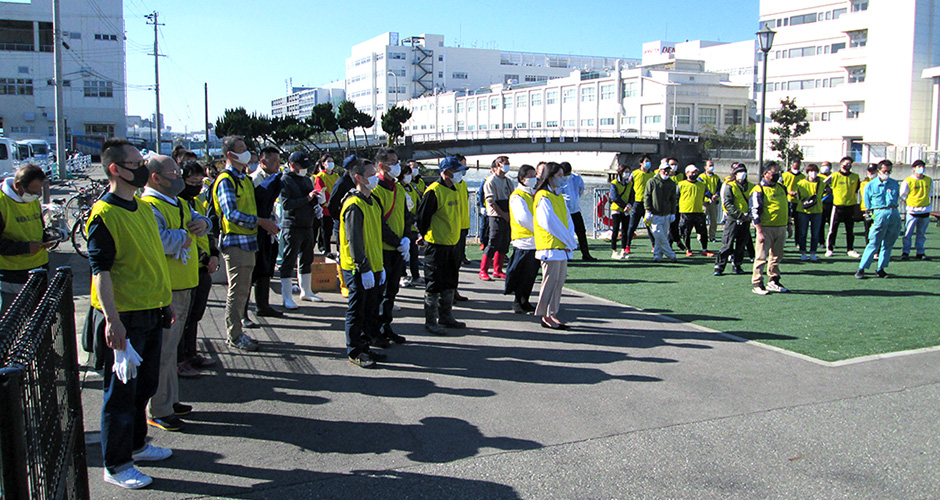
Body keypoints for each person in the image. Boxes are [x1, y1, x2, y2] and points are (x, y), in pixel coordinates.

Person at [87, 138, 173, 489]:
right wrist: (113, 320)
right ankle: (117, 464)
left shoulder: (139, 208)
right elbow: (101, 271)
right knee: (120, 395)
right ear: (116, 169)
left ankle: (137, 445)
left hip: (150, 310)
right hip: (125, 317)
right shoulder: (104, 213)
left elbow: (150, 257)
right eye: (136, 164)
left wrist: (163, 303)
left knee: (144, 387)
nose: (143, 169)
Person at [140, 154, 211, 431]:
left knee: (171, 351)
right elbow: (159, 241)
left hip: (184, 283)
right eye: (174, 173)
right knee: (163, 352)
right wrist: (186, 235)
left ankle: (170, 400)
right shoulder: (149, 206)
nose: (180, 177)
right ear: (156, 177)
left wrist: (203, 224)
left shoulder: (179, 202)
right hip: (165, 287)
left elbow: (202, 220)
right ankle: (158, 407)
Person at [212, 136, 280, 352]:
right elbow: (231, 214)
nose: (247, 152)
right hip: (236, 242)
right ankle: (234, 335)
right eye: (242, 149)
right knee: (238, 291)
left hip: (249, 242)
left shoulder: (243, 179)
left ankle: (238, 332)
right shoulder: (226, 180)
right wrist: (261, 221)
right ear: (230, 154)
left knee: (242, 291)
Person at [338, 158, 388, 368]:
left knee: (369, 309)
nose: (375, 176)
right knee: (357, 310)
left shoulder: (373, 201)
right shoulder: (353, 205)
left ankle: (365, 345)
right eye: (371, 173)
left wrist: (380, 265)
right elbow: (354, 240)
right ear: (358, 178)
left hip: (375, 265)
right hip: (358, 268)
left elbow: (379, 232)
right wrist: (364, 267)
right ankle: (355, 350)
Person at [416, 156, 467, 335]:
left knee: (450, 281)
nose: (461, 174)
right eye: (457, 171)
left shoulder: (454, 188)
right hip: (436, 245)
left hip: (452, 243)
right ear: (445, 172)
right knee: (434, 284)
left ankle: (446, 316)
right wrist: (424, 236)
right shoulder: (434, 191)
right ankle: (431, 321)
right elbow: (422, 218)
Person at [177, 160, 219, 376]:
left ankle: (191, 354)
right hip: (184, 268)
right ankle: (180, 359)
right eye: (190, 182)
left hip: (201, 266)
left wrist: (213, 255)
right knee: (181, 318)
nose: (196, 186)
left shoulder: (195, 203)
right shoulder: (174, 202)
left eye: (199, 182)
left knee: (195, 315)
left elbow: (207, 229)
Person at [0, 164, 53, 315]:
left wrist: (47, 238)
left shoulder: (32, 199)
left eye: (38, 191)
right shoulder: (2, 202)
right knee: (11, 325)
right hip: (12, 276)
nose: (35, 195)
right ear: (18, 186)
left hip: (39, 270)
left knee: (40, 323)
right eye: (32, 191)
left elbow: (37, 228)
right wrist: (25, 248)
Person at [371, 147, 410, 345]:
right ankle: (374, 330)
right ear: (381, 165)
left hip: (397, 249)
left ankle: (386, 326)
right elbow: (379, 223)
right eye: (393, 162)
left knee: (392, 291)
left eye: (397, 161)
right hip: (382, 250)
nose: (397, 165)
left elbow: (405, 215)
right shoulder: (375, 190)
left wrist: (407, 239)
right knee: (378, 293)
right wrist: (397, 241)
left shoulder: (399, 188)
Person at [533, 162, 577, 330]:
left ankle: (553, 313)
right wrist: (568, 240)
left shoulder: (558, 196)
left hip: (561, 246)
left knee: (559, 280)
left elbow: (567, 219)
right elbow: (549, 223)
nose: (561, 178)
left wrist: (569, 239)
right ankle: (545, 315)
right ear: (549, 177)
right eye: (558, 175)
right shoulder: (543, 196)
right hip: (550, 246)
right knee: (550, 281)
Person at [279, 151, 324, 310]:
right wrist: (308, 199)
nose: (304, 169)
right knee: (289, 260)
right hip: (292, 225)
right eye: (301, 166)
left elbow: (311, 199)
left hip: (307, 224)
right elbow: (286, 204)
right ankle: (286, 297)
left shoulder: (306, 180)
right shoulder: (285, 180)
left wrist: (317, 203)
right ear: (292, 165)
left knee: (307, 258)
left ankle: (306, 291)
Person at [246, 146, 285, 321]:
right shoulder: (253, 180)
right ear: (263, 161)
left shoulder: (276, 178)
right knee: (250, 273)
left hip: (269, 229)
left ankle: (263, 305)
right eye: (274, 161)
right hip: (255, 230)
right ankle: (243, 312)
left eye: (279, 160)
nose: (278, 164)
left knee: (266, 269)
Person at [750, 162, 790, 295]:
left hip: (781, 226)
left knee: (777, 256)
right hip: (766, 228)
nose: (776, 175)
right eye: (774, 173)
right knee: (761, 256)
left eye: (778, 173)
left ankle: (773, 280)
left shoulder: (781, 188)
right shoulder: (758, 189)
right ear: (765, 174)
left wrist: (788, 224)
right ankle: (757, 283)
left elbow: (786, 206)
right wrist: (759, 231)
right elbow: (754, 211)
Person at [856, 160, 902, 278]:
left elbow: (896, 197)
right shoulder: (870, 185)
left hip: (893, 212)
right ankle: (862, 268)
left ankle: (881, 268)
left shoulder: (894, 183)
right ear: (878, 171)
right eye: (884, 171)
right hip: (879, 212)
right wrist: (871, 217)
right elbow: (867, 203)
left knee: (888, 243)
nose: (886, 173)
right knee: (874, 242)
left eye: (889, 171)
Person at [504, 165, 539, 314]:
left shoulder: (534, 193)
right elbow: (523, 218)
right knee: (521, 272)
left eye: (534, 176)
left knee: (531, 273)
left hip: (536, 240)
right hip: (523, 240)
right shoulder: (517, 196)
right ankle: (518, 301)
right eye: (530, 176)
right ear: (522, 179)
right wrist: (540, 228)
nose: (534, 179)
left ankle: (525, 300)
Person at [713, 163, 753, 276]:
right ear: (734, 174)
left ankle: (737, 265)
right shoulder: (730, 186)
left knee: (741, 244)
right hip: (733, 219)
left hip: (746, 220)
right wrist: (739, 215)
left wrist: (748, 215)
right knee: (727, 244)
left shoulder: (751, 186)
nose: (742, 174)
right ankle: (719, 267)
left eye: (743, 171)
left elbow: (754, 201)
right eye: (739, 172)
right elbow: (728, 203)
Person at [329, 155, 360, 297]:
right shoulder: (342, 182)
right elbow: (331, 205)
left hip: (357, 222)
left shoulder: (358, 180)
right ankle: (344, 284)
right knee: (343, 253)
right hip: (342, 223)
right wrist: (340, 218)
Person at [480, 156, 514, 280]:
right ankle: (483, 270)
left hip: (508, 213)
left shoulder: (508, 181)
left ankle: (498, 269)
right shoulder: (491, 181)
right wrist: (503, 214)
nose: (508, 166)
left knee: (505, 241)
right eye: (506, 164)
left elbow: (512, 197)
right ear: (498, 165)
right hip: (495, 215)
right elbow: (491, 201)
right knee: (493, 241)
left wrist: (510, 214)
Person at [825, 157, 861, 258]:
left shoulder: (855, 176)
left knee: (850, 229)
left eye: (850, 164)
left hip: (850, 206)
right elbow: (824, 184)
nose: (848, 165)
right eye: (846, 163)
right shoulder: (835, 175)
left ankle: (850, 249)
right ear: (841, 164)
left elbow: (857, 189)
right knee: (833, 229)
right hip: (837, 206)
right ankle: (830, 248)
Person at [559, 161, 596, 261]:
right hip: (564, 212)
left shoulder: (576, 178)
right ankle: (566, 255)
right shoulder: (558, 179)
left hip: (575, 210)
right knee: (565, 233)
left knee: (581, 232)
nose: (567, 176)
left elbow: (581, 191)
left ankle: (586, 254)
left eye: (568, 174)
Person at [644, 161, 678, 263]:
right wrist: (648, 210)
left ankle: (658, 255)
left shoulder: (672, 183)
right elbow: (647, 196)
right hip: (655, 213)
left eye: (668, 171)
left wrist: (673, 213)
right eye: (664, 170)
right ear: (659, 171)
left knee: (663, 235)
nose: (666, 173)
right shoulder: (652, 182)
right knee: (659, 235)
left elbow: (673, 200)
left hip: (667, 213)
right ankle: (671, 254)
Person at [677, 164, 714, 257]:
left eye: (695, 172)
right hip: (686, 212)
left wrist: (712, 197)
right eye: (692, 172)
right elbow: (676, 197)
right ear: (686, 173)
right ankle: (688, 249)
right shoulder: (681, 184)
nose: (694, 174)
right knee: (686, 232)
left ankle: (704, 249)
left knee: (703, 231)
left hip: (698, 211)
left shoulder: (701, 184)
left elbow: (708, 193)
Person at [900, 159, 933, 260]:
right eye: (918, 167)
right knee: (908, 233)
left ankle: (920, 252)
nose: (920, 169)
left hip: (925, 210)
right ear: (913, 168)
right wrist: (910, 204)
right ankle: (905, 252)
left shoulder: (928, 180)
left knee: (921, 233)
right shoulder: (908, 180)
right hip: (912, 211)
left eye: (922, 166)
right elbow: (903, 194)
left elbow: (930, 193)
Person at [624, 155, 656, 257]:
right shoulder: (635, 173)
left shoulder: (652, 175)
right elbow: (628, 185)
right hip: (637, 203)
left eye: (649, 161)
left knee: (650, 226)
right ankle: (627, 246)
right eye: (646, 161)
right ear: (641, 163)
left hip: (648, 204)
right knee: (632, 225)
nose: (648, 163)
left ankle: (654, 246)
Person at [399, 161, 424, 287]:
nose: (409, 176)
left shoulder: (412, 188)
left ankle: (416, 276)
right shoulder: (398, 188)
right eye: (406, 174)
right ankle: (402, 275)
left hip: (413, 226)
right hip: (402, 226)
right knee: (403, 254)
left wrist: (417, 219)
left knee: (414, 253)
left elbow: (418, 204)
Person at [794, 164, 825, 261]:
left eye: (815, 171)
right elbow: (799, 196)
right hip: (803, 210)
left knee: (815, 233)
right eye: (811, 171)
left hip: (817, 210)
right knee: (803, 233)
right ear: (807, 173)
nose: (813, 173)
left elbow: (827, 190)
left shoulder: (821, 182)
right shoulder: (801, 183)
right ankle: (803, 252)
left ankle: (813, 252)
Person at [313, 153, 339, 256]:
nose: (331, 163)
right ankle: (326, 249)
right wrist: (328, 203)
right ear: (323, 164)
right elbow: (321, 191)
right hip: (324, 208)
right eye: (328, 161)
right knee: (325, 230)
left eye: (332, 161)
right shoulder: (320, 176)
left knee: (330, 230)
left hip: (334, 207)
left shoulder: (336, 176)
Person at [608, 163, 633, 260]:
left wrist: (629, 205)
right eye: (625, 172)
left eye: (628, 172)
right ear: (621, 173)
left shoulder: (630, 184)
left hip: (626, 210)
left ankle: (623, 250)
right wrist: (624, 206)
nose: (627, 174)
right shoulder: (614, 183)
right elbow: (614, 197)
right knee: (615, 230)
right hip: (617, 209)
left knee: (625, 231)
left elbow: (632, 196)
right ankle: (614, 251)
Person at [780, 159, 805, 239]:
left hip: (798, 202)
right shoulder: (784, 175)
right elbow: (779, 187)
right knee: (785, 221)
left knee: (799, 223)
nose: (796, 166)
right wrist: (788, 192)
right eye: (795, 164)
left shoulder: (803, 177)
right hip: (786, 201)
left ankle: (798, 240)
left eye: (798, 164)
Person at [701, 160, 722, 243]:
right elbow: (702, 188)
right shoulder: (701, 177)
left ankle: (712, 236)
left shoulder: (716, 177)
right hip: (705, 202)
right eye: (709, 165)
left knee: (714, 220)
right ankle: (701, 236)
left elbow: (719, 188)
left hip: (714, 202)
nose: (711, 167)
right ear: (705, 167)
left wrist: (716, 194)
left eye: (712, 165)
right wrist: (710, 195)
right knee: (702, 220)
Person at [859, 164, 878, 244]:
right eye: (869, 171)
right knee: (868, 228)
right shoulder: (864, 182)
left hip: (877, 208)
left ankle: (877, 248)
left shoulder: (879, 181)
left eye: (873, 171)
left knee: (877, 228)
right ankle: (869, 246)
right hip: (867, 209)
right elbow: (865, 195)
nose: (870, 173)